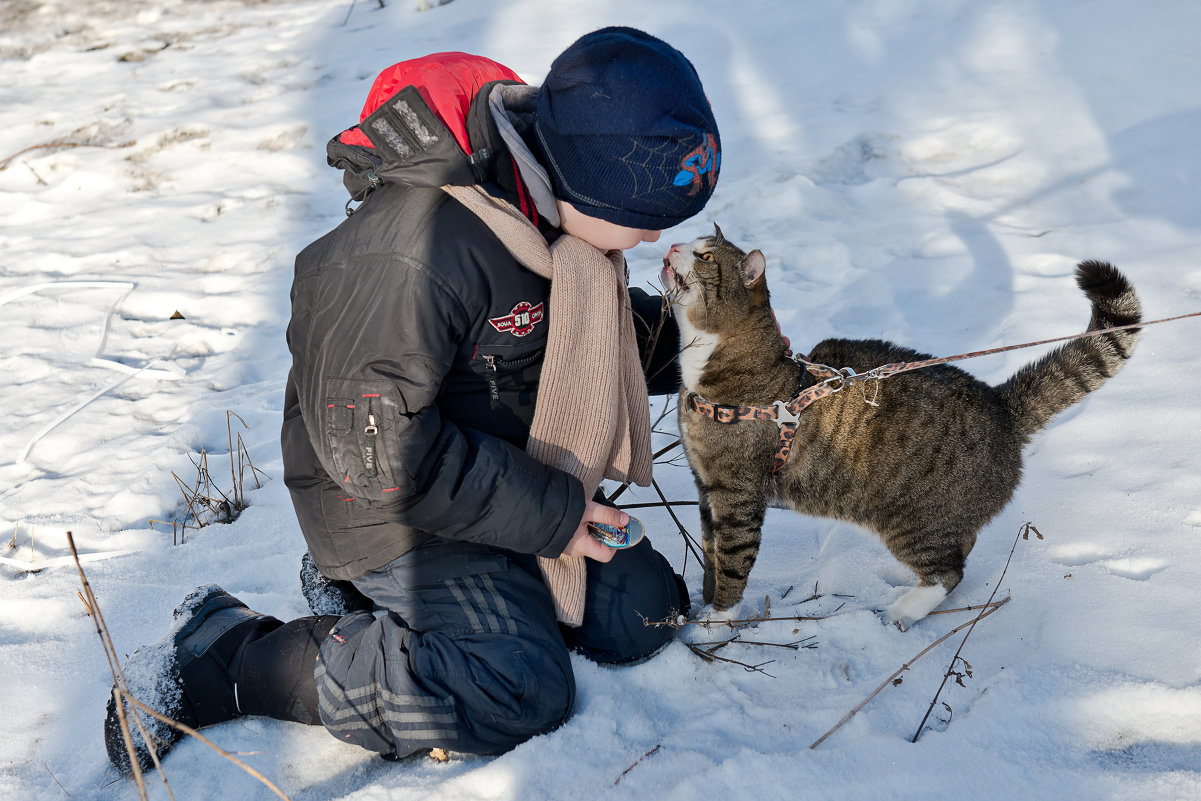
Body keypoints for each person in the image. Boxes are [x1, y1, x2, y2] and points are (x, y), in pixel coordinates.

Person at [104, 26, 721, 773]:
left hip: (502, 480)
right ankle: (227, 656)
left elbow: (591, 335)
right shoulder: (412, 251)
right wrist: (552, 516)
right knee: (514, 686)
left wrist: (729, 358)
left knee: (644, 613)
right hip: (386, 507)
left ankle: (402, 614)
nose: (657, 235)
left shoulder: (543, 217)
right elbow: (377, 455)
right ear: (582, 180)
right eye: (646, 213)